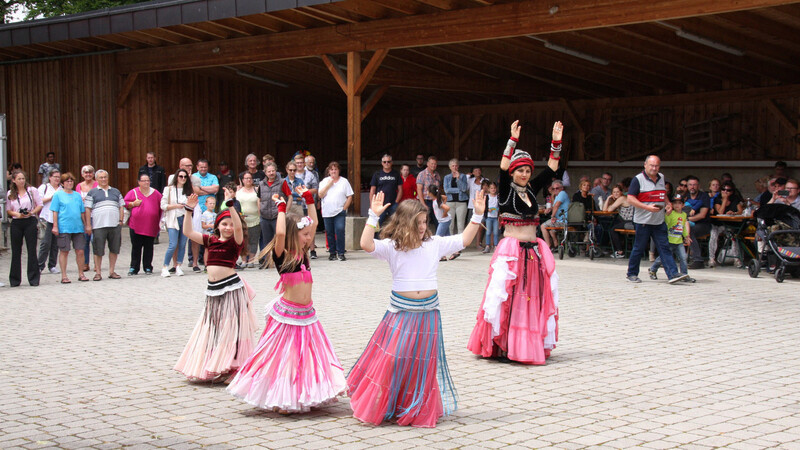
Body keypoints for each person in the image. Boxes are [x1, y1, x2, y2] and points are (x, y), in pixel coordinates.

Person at [349, 190, 486, 427]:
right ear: (405, 223)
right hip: (401, 313)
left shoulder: (434, 244)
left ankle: (416, 408)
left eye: (424, 222)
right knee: (395, 359)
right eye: (418, 222)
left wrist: (478, 216)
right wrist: (372, 216)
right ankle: (386, 403)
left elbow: (464, 240)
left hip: (428, 313)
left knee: (422, 363)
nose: (423, 227)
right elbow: (365, 244)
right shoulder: (392, 247)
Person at [228, 185, 346, 413]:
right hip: (288, 315)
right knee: (286, 357)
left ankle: (303, 394)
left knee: (306, 357)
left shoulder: (304, 254)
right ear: (294, 234)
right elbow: (280, 233)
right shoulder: (282, 254)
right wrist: (281, 208)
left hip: (307, 315)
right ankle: (282, 397)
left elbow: (313, 223)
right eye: (304, 235)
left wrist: (310, 200)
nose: (309, 238)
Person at [467, 120, 562, 365]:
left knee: (530, 297)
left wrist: (556, 142)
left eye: (528, 171)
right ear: (513, 172)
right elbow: (502, 166)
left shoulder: (532, 188)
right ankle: (503, 344)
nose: (524, 174)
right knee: (508, 297)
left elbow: (552, 168)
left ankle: (526, 343)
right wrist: (512, 141)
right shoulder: (507, 188)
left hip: (534, 251)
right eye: (520, 170)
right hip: (512, 251)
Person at [174, 193, 258, 382]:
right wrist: (188, 210)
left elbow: (238, 226)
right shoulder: (210, 240)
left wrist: (230, 206)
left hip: (231, 289)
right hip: (213, 290)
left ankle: (232, 366)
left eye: (230, 224)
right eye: (224, 224)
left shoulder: (235, 242)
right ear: (217, 226)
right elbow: (187, 232)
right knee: (214, 328)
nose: (228, 227)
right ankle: (215, 364)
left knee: (231, 329)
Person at [625, 155, 689, 283]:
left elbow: (662, 193)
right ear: (645, 165)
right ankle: (632, 273)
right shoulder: (637, 179)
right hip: (643, 221)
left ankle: (673, 274)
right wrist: (647, 207)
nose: (654, 168)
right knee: (639, 247)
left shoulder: (661, 177)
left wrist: (668, 204)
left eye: (656, 166)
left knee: (664, 247)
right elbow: (630, 198)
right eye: (651, 165)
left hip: (659, 220)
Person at [84, 170, 125, 281]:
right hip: (98, 225)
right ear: (96, 179)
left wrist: (121, 221)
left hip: (114, 224)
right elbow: (87, 209)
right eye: (101, 177)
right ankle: (98, 272)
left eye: (105, 177)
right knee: (98, 250)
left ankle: (111, 271)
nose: (103, 179)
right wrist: (88, 225)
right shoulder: (92, 192)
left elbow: (121, 206)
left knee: (114, 248)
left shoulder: (116, 191)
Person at [51, 173, 90, 283]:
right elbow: (55, 211)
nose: (69, 183)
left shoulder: (77, 195)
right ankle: (64, 275)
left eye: (71, 181)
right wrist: (55, 226)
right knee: (64, 251)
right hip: (64, 227)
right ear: (62, 183)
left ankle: (81, 273)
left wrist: (86, 224)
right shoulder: (58, 195)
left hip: (77, 227)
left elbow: (82, 211)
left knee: (80, 251)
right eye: (67, 181)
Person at [7, 169, 43, 287]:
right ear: (14, 180)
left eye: (23, 178)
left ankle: (33, 278)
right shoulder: (10, 194)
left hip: (30, 221)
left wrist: (31, 212)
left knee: (32, 249)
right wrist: (18, 214)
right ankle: (15, 279)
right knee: (16, 251)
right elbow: (8, 210)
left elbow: (40, 204)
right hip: (17, 222)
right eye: (19, 179)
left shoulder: (32, 191)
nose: (22, 181)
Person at [649, 195, 694, 283]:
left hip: (679, 241)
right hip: (669, 240)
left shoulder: (684, 214)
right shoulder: (670, 213)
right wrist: (668, 214)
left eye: (679, 203)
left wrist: (686, 236)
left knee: (683, 258)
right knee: (663, 258)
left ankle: (684, 274)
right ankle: (653, 269)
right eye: (675, 203)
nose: (677, 205)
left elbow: (683, 227)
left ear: (683, 205)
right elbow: (667, 222)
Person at [124, 173, 163, 275]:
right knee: (136, 247)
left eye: (148, 181)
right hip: (136, 225)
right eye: (144, 181)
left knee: (149, 247)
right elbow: (125, 203)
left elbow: (162, 204)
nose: (146, 183)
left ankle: (148, 267)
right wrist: (133, 204)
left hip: (151, 225)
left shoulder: (155, 193)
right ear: (139, 182)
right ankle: (134, 267)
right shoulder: (133, 192)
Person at [319, 161, 354, 261]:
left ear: (339, 171)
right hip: (327, 212)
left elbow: (350, 196)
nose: (334, 171)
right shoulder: (324, 181)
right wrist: (329, 184)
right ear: (329, 171)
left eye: (336, 169)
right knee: (329, 232)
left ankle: (341, 252)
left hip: (340, 211)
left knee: (340, 230)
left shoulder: (344, 181)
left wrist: (344, 208)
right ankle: (332, 253)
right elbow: (320, 195)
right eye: (332, 169)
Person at [160, 169, 192, 277]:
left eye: (185, 177)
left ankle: (179, 265)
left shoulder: (188, 190)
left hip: (185, 218)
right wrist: (176, 206)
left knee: (183, 244)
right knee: (173, 244)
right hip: (173, 218)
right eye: (181, 176)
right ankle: (165, 266)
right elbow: (163, 205)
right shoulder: (169, 189)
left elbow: (192, 206)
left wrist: (189, 205)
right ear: (176, 177)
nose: (183, 179)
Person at [258, 162, 291, 258]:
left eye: (273, 171)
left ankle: (282, 259)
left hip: (278, 216)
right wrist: (259, 211)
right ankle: (267, 260)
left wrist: (285, 212)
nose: (271, 173)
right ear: (265, 172)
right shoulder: (261, 184)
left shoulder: (282, 182)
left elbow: (290, 197)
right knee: (266, 240)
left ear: (276, 171)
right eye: (269, 171)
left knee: (280, 238)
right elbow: (259, 198)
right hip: (264, 216)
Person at [708, 180, 744, 268]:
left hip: (729, 223)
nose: (725, 192)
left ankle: (736, 259)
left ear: (732, 191)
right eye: (723, 189)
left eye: (728, 190)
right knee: (713, 234)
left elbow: (740, 211)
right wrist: (724, 200)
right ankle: (711, 258)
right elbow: (720, 211)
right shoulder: (717, 199)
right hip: (717, 223)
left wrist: (734, 213)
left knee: (733, 235)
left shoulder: (735, 199)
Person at [684, 176, 712, 269]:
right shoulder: (685, 196)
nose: (692, 187)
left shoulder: (704, 196)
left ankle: (698, 260)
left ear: (698, 186)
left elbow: (702, 215)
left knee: (689, 231)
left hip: (703, 224)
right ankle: (667, 259)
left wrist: (686, 220)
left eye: (694, 185)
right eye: (690, 185)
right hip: (686, 222)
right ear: (687, 186)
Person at [37, 168, 61, 274]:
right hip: (46, 218)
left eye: (58, 177)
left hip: (58, 219)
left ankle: (52, 265)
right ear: (50, 177)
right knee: (45, 243)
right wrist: (51, 198)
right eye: (55, 177)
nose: (57, 179)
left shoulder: (61, 188)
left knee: (55, 244)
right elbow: (38, 201)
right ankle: (39, 265)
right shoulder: (44, 187)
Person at [295, 154, 319, 258]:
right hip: (296, 205)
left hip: (308, 205)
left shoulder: (311, 175)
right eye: (297, 163)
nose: (299, 165)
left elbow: (316, 188)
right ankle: (297, 248)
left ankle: (312, 249)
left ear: (304, 164)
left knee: (311, 225)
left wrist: (306, 193)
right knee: (297, 228)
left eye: (301, 163)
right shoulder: (292, 174)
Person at [235, 172, 261, 267]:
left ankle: (251, 260)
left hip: (255, 219)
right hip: (242, 220)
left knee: (253, 240)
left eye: (250, 178)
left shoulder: (256, 190)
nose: (248, 180)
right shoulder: (238, 191)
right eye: (246, 178)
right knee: (243, 241)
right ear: (242, 180)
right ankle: (244, 260)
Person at [369, 154, 402, 227]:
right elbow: (372, 190)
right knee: (377, 224)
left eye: (388, 162)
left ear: (392, 162)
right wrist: (372, 204)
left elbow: (400, 189)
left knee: (396, 224)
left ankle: (395, 238)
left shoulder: (396, 174)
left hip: (393, 204)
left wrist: (396, 202)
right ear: (381, 163)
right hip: (380, 204)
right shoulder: (377, 174)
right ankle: (376, 238)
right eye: (384, 162)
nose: (386, 163)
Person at [77, 165, 99, 271]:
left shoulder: (97, 185)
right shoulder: (78, 186)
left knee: (94, 240)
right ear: (82, 174)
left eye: (90, 172)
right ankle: (85, 263)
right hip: (83, 215)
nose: (88, 174)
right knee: (84, 240)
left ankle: (96, 263)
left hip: (95, 215)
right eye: (85, 172)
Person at [605, 183, 635, 258]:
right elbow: (605, 210)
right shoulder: (620, 199)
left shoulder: (622, 198)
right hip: (626, 221)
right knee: (614, 223)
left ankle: (619, 251)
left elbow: (609, 210)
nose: (616, 194)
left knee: (613, 229)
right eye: (614, 192)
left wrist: (609, 200)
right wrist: (608, 198)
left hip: (630, 222)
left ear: (621, 192)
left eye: (617, 192)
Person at [443, 158, 469, 237]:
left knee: (460, 224)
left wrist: (458, 179)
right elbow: (447, 190)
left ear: (458, 167)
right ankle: (451, 244)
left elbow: (464, 188)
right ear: (450, 167)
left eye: (456, 166)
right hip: (450, 202)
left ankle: (459, 245)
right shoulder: (447, 177)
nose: (454, 167)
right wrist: (459, 190)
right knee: (450, 224)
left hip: (461, 203)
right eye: (453, 166)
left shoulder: (463, 176)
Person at [540, 180, 569, 249]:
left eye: (557, 188)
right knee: (551, 229)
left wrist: (552, 216)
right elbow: (554, 206)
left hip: (563, 221)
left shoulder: (562, 193)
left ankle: (548, 246)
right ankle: (555, 244)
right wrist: (550, 208)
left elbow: (556, 206)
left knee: (543, 226)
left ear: (562, 188)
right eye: (553, 189)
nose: (555, 190)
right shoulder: (558, 196)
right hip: (559, 220)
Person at [416, 156, 442, 231]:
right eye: (432, 164)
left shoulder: (437, 175)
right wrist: (423, 204)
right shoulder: (422, 174)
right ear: (427, 164)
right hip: (425, 201)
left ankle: (438, 239)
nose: (433, 165)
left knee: (438, 221)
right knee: (424, 221)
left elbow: (439, 189)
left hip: (435, 201)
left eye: (435, 164)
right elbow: (419, 190)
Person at [200, 197, 218, 268]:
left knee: (214, 249)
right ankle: (206, 265)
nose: (212, 205)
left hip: (214, 234)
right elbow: (203, 226)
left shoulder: (215, 214)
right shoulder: (204, 214)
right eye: (210, 203)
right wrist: (209, 225)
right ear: (206, 204)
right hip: (207, 234)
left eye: (213, 203)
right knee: (207, 249)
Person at [483, 182, 499, 253]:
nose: (493, 190)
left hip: (496, 217)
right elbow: (484, 207)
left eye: (494, 188)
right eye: (491, 188)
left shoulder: (498, 197)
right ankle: (487, 246)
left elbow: (499, 206)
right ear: (489, 189)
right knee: (488, 232)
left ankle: (496, 246)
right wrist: (487, 210)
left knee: (496, 232)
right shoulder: (486, 197)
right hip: (489, 217)